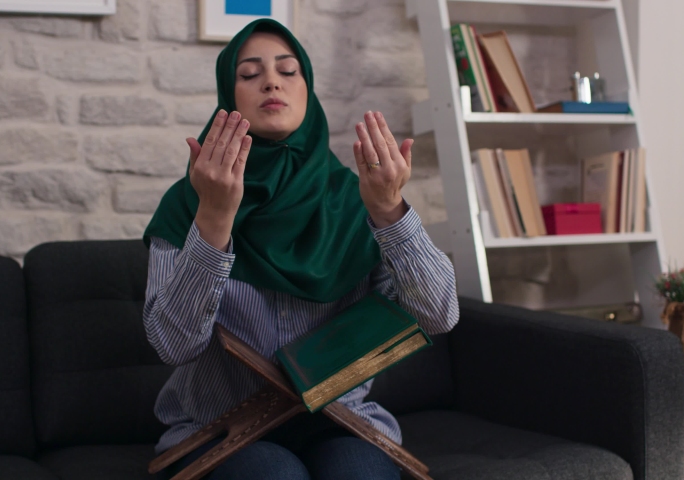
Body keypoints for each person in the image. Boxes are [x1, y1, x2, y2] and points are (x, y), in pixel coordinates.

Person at [143, 18, 459, 480]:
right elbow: (173, 344)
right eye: (248, 74)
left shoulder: (360, 196)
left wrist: (391, 211)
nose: (271, 80)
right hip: (221, 429)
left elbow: (438, 315)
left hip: (343, 423)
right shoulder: (189, 202)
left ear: (308, 90)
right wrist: (213, 219)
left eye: (288, 71)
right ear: (227, 97)